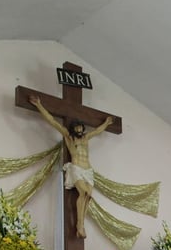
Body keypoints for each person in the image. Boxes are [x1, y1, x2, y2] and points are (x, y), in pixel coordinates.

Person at [29, 95, 113, 239]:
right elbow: (52, 121)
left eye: (81, 127)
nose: (79, 129)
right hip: (76, 168)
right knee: (83, 193)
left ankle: (81, 225)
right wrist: (39, 105)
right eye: (77, 127)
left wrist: (106, 123)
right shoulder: (68, 137)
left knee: (89, 196)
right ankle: (79, 225)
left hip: (88, 170)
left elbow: (98, 131)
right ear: (73, 128)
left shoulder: (86, 138)